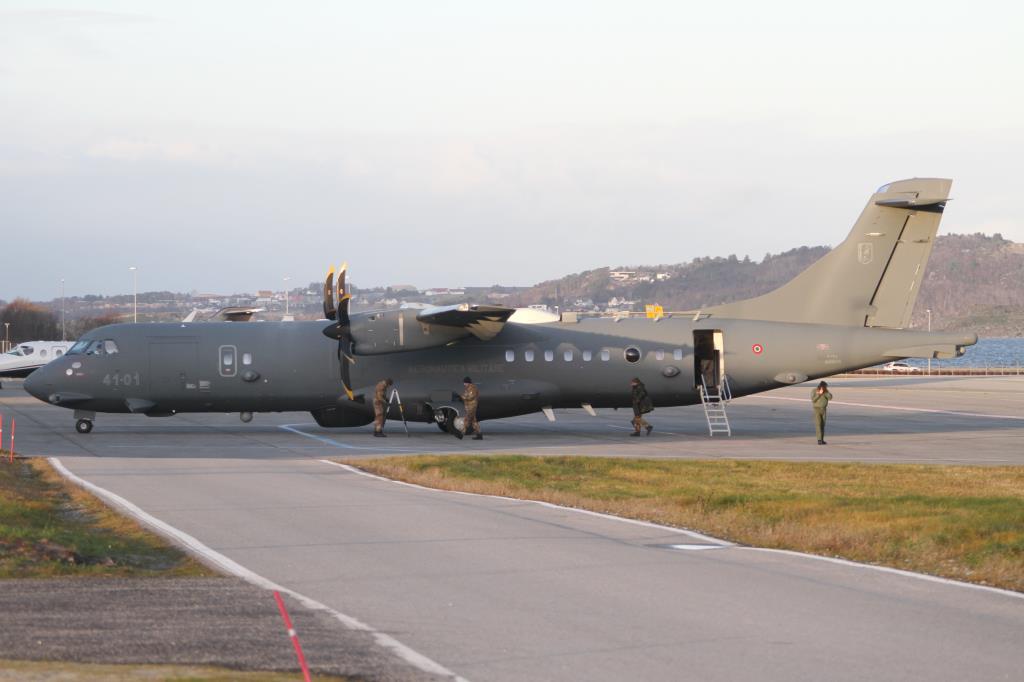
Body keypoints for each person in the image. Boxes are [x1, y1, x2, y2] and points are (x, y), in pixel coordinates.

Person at [811, 380, 832, 444]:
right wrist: (819, 394)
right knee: (818, 425)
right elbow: (813, 400)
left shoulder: (826, 391)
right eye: (824, 387)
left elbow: (830, 398)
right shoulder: (814, 390)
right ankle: (819, 440)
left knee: (823, 425)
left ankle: (822, 440)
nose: (825, 388)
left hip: (824, 409)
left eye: (825, 387)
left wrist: (825, 392)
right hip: (817, 409)